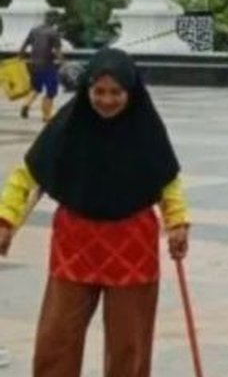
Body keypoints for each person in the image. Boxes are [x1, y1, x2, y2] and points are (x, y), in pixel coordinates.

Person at [0, 48, 190, 377]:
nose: (106, 100)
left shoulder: (145, 130)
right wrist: (6, 220)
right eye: (98, 91)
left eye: (116, 92)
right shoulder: (68, 126)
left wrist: (177, 223)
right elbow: (26, 177)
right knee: (57, 338)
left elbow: (167, 182)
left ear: (130, 92)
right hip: (75, 245)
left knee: (129, 344)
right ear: (87, 88)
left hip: (131, 247)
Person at [18, 12, 63, 123]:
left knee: (36, 88)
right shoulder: (53, 32)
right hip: (47, 65)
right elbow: (57, 51)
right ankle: (46, 116)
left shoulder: (34, 30)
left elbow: (24, 46)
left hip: (33, 64)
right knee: (51, 91)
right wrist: (63, 63)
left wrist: (20, 57)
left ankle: (26, 105)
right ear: (54, 21)